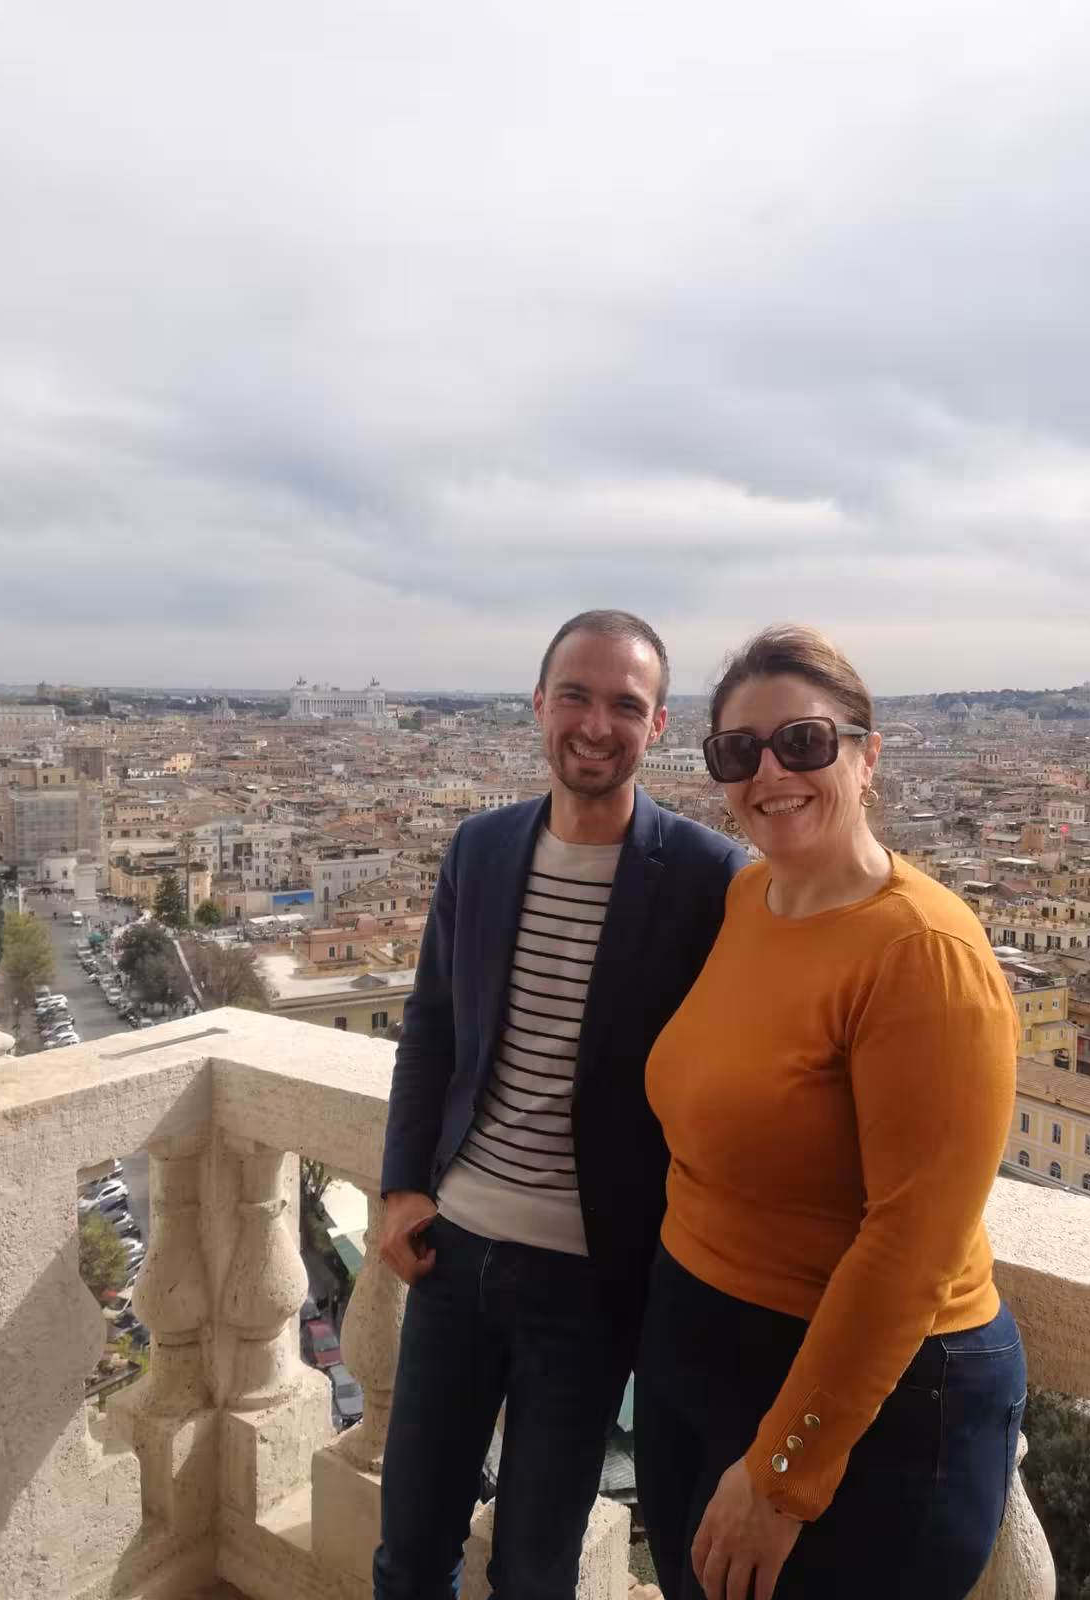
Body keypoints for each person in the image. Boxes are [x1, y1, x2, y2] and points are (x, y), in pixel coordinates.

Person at [636, 625, 1025, 1600]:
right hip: (703, 1351)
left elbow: (912, 1242)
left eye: (804, 741)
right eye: (740, 751)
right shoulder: (750, 898)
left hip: (864, 1407)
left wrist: (784, 1470)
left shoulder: (924, 949)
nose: (771, 771)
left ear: (867, 752)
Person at [374, 610, 749, 1600]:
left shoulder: (711, 879)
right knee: (409, 1549)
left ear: (658, 724)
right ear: (539, 704)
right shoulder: (481, 848)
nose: (596, 722)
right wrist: (402, 1185)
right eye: (576, 695)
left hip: (592, 1284)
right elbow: (434, 1027)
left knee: (536, 1570)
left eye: (625, 703)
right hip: (455, 1256)